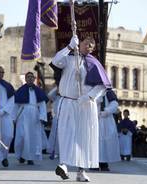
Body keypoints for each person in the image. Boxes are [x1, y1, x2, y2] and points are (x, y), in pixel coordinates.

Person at [51, 35, 111, 182]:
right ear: (80, 43)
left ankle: (81, 171)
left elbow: (102, 86)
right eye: (86, 43)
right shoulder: (69, 58)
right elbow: (55, 61)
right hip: (68, 103)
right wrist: (69, 47)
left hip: (85, 105)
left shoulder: (94, 63)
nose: (88, 46)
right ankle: (63, 164)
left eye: (91, 45)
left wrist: (89, 97)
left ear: (93, 49)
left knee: (84, 138)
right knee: (66, 134)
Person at [4, 72, 48, 165]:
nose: (30, 79)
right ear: (26, 79)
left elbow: (42, 105)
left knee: (32, 137)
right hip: (23, 114)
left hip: (35, 115)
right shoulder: (21, 90)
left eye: (32, 77)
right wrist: (12, 116)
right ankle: (20, 155)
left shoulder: (38, 91)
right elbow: (15, 104)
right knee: (21, 136)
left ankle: (30, 157)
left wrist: (42, 116)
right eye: (28, 77)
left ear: (34, 79)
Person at [97, 88, 120, 171]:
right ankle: (94, 162)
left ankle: (104, 163)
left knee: (104, 142)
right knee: (94, 141)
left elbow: (114, 103)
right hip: (94, 119)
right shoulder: (91, 89)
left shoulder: (108, 92)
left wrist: (106, 111)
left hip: (106, 120)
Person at [46, 86, 60, 159]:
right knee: (54, 135)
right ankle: (54, 151)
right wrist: (57, 87)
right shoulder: (56, 97)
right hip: (57, 117)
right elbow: (49, 95)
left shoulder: (67, 97)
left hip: (66, 118)